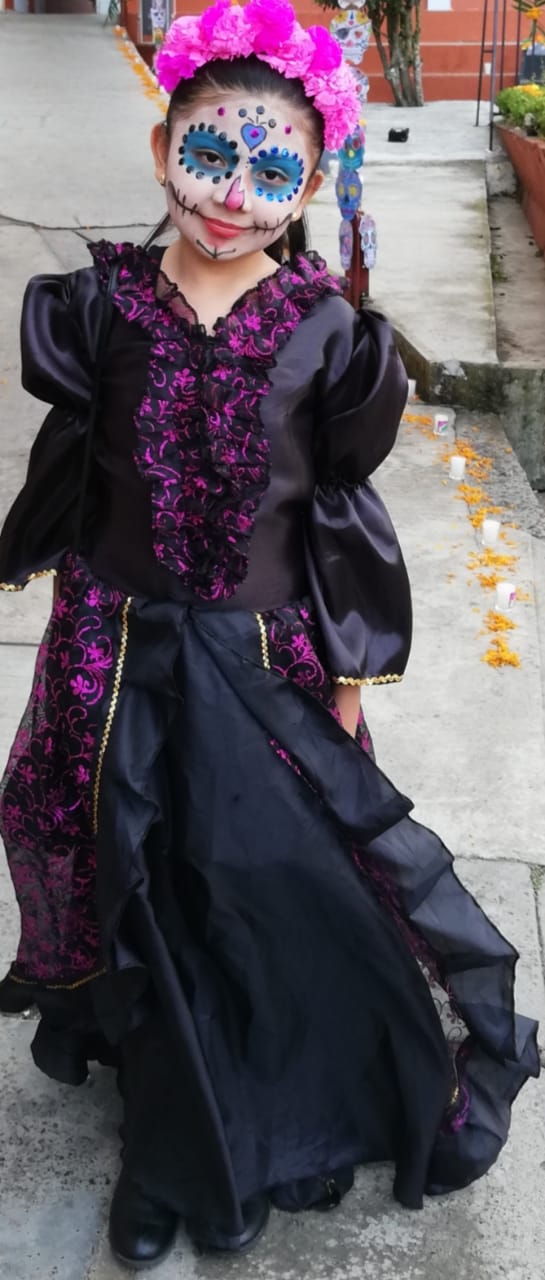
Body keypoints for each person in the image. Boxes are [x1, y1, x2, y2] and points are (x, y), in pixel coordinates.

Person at [0, 0, 539, 1270]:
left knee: (241, 879)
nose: (233, 194)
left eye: (271, 169)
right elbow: (75, 462)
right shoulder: (97, 308)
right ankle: (169, 1133)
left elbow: (335, 514)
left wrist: (350, 669)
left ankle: (230, 1112)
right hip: (112, 649)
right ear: (161, 148)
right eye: (209, 154)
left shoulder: (328, 335)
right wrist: (40, 557)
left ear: (308, 181)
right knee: (128, 869)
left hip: (258, 664)